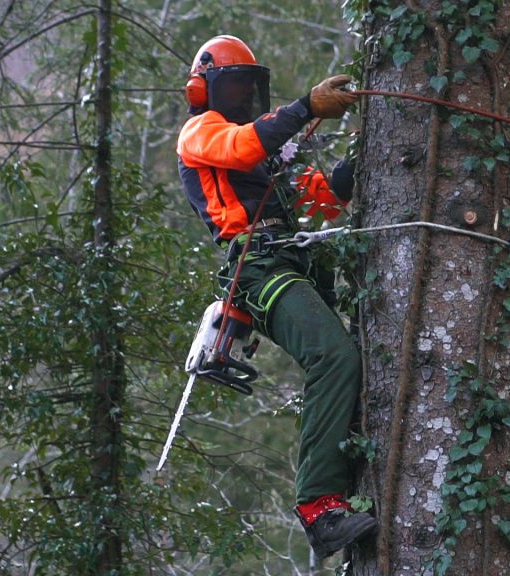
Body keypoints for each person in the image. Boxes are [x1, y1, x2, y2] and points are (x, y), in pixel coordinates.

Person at [176, 34, 377, 559]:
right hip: (258, 267)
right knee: (333, 357)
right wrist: (307, 107)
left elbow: (324, 202)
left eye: (248, 87)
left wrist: (366, 156)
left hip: (296, 258)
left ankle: (345, 481)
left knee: (351, 363)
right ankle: (318, 507)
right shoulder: (202, 133)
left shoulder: (271, 155)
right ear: (205, 89)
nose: (243, 97)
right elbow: (241, 147)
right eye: (234, 86)